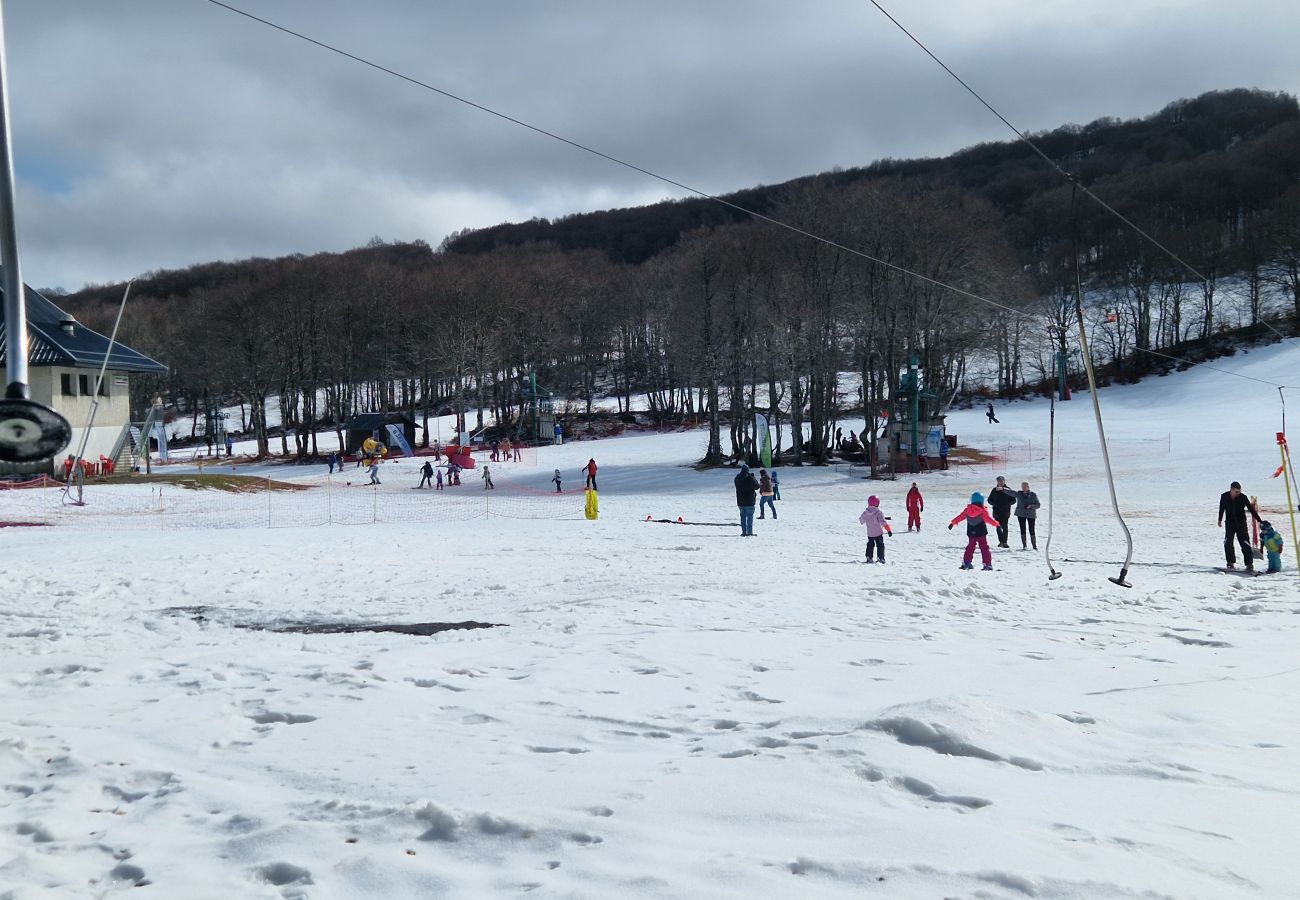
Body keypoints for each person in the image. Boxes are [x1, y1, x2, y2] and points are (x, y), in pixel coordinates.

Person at [949, 492, 1000, 571]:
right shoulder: (982, 511)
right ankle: (987, 564)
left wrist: (953, 522)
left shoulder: (967, 510)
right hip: (981, 531)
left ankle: (967, 563)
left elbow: (960, 517)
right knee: (984, 547)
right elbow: (989, 520)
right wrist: (997, 525)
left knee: (970, 547)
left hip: (971, 531)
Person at [1218, 481, 1262, 571]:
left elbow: (1251, 509)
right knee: (1228, 543)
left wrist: (1259, 520)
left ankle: (1249, 564)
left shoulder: (1242, 497)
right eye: (1236, 491)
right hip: (1229, 523)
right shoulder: (1224, 496)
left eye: (1239, 491)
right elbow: (1221, 507)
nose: (1238, 493)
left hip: (1241, 523)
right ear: (1231, 490)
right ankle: (1230, 562)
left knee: (1245, 543)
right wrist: (1220, 519)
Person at [858, 495, 893, 563]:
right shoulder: (878, 512)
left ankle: (869, 557)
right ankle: (880, 558)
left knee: (870, 545)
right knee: (880, 545)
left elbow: (861, 520)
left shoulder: (866, 512)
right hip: (878, 533)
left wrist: (868, 518)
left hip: (870, 533)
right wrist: (888, 530)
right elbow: (883, 522)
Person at [987, 475, 1017, 548]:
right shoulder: (994, 490)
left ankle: (1005, 542)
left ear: (1004, 481)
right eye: (999, 481)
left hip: (1005, 511)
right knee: (998, 527)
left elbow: (1014, 500)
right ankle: (1000, 542)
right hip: (997, 512)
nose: (1000, 482)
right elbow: (989, 500)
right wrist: (995, 504)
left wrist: (1006, 504)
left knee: (1005, 527)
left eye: (1001, 481)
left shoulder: (1008, 489)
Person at [734, 464, 760, 537]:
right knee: (749, 517)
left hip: (740, 501)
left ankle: (744, 532)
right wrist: (753, 477)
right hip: (750, 501)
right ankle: (750, 532)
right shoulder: (750, 478)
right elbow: (757, 487)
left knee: (742, 517)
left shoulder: (737, 478)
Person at [1015, 481, 1041, 550]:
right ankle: (1024, 545)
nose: (1024, 488)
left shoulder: (1033, 495)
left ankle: (1034, 546)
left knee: (1031, 529)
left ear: (1028, 487)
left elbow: (1038, 505)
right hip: (1021, 514)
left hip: (1031, 515)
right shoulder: (1019, 494)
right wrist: (1003, 489)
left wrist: (1031, 506)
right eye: (1023, 486)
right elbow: (1011, 492)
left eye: (1025, 486)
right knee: (1022, 529)